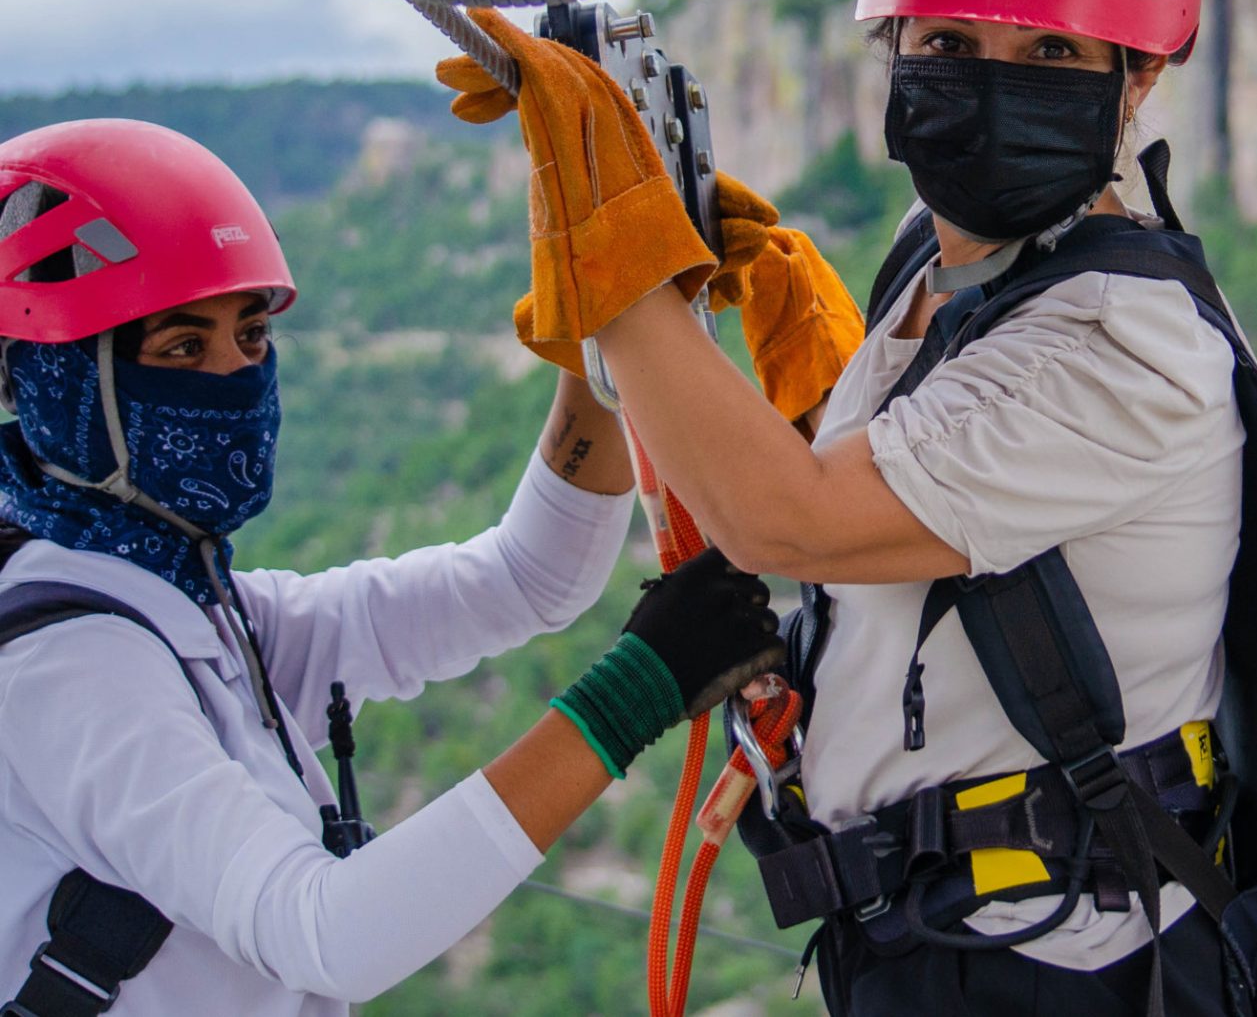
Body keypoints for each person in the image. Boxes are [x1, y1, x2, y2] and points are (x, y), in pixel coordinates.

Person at [444, 0, 1241, 1016]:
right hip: (932, 940)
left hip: (1056, 970)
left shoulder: (1120, 344)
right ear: (897, 47)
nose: (988, 85)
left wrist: (617, 246)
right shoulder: (952, 269)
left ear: (1135, 79)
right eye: (952, 45)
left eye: (1051, 54)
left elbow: (794, 522)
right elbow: (901, 512)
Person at [0, 118, 787, 1015]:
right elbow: (327, 934)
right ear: (56, 381)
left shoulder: (209, 618)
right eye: (182, 348)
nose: (233, 376)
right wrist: (640, 688)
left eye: (251, 336)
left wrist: (605, 316)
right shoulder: (68, 666)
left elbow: (528, 578)